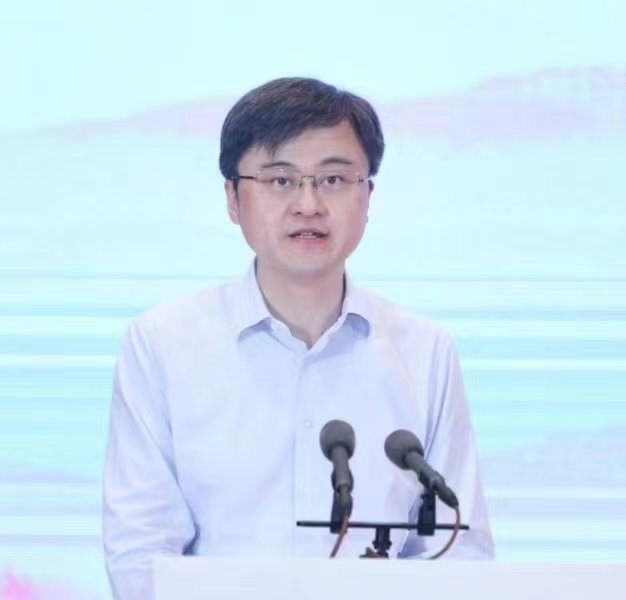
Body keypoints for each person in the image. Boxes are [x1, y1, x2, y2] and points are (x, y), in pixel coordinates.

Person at [103, 77, 494, 599]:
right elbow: (141, 555)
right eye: (280, 180)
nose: (308, 204)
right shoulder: (162, 345)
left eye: (333, 179)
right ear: (233, 199)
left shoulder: (424, 351)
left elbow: (459, 551)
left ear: (368, 196)